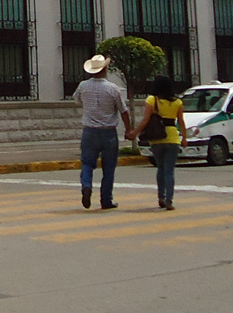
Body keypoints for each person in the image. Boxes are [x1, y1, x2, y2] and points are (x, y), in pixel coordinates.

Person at [74, 55, 130, 210]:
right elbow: (123, 111)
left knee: (87, 163)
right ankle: (106, 199)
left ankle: (86, 185)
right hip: (108, 133)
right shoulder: (112, 88)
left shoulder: (83, 86)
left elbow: (77, 101)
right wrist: (128, 129)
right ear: (105, 69)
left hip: (89, 131)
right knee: (109, 168)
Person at [131, 74, 184, 210]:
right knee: (169, 171)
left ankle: (161, 196)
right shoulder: (177, 102)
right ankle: (169, 200)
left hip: (157, 138)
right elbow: (181, 122)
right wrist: (185, 138)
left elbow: (145, 120)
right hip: (173, 137)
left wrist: (134, 133)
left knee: (160, 168)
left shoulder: (152, 100)